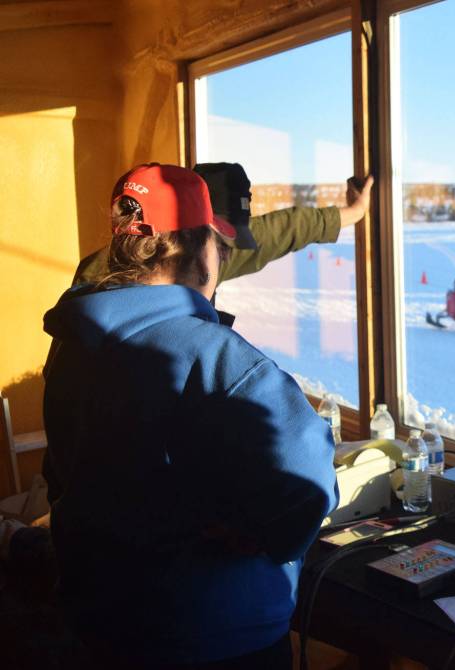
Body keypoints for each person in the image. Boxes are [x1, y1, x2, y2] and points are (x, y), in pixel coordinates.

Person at [42, 164, 341, 668]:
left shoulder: (73, 343)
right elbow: (308, 489)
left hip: (99, 624)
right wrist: (258, 533)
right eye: (218, 244)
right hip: (215, 637)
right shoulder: (220, 361)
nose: (223, 258)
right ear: (192, 246)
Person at [73, 163, 375, 303]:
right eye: (219, 240)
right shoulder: (96, 282)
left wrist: (354, 213)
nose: (224, 254)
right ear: (189, 235)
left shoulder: (206, 254)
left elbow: (284, 229)